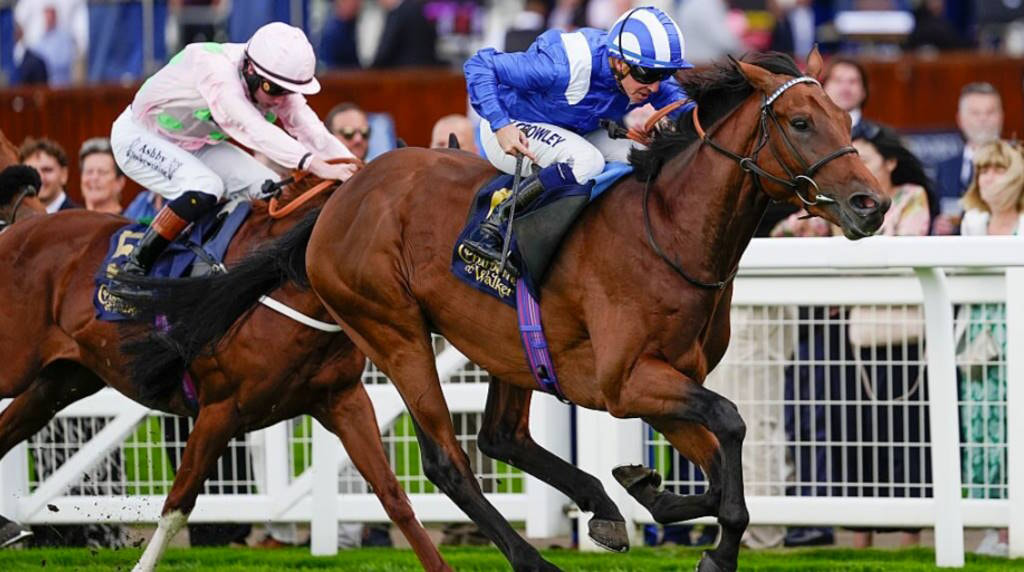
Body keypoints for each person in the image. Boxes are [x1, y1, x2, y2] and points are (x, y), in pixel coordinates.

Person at [109, 21, 359, 276]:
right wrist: (316, 165)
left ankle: (220, 264)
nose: (279, 99)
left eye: (289, 91)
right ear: (249, 69)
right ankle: (134, 268)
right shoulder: (216, 71)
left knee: (273, 188)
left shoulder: (272, 79)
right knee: (206, 186)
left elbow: (314, 133)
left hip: (194, 144)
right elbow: (255, 129)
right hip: (139, 136)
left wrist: (359, 171)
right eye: (273, 89)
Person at [462, 5, 695, 263]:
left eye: (665, 74)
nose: (655, 87)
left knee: (642, 154)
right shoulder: (560, 66)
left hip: (571, 131)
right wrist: (501, 125)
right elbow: (479, 65)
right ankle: (496, 224)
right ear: (619, 63)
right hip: (512, 126)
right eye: (648, 74)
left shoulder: (641, 73)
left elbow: (693, 114)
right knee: (587, 162)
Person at [957, 140, 1024, 557]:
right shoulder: (973, 222)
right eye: (983, 171)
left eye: (997, 170)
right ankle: (995, 526)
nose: (989, 179)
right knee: (980, 429)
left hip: (1016, 334)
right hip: (978, 343)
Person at [934, 83, 1004, 235]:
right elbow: (936, 215)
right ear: (960, 119)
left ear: (1001, 116)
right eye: (975, 113)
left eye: (990, 112)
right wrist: (938, 226)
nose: (983, 118)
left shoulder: (1017, 163)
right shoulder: (945, 168)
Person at [18, 137, 79, 212]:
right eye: (30, 172)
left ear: (64, 175)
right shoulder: (15, 218)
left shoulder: (80, 217)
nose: (39, 178)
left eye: (47, 170)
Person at [79, 137, 126, 214]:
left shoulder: (131, 221)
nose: (94, 178)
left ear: (120, 182)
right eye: (89, 172)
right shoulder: (70, 220)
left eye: (102, 172)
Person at [822, 57, 869, 131]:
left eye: (852, 81)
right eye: (838, 80)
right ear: (823, 89)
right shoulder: (806, 134)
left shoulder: (883, 136)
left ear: (864, 91)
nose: (845, 88)